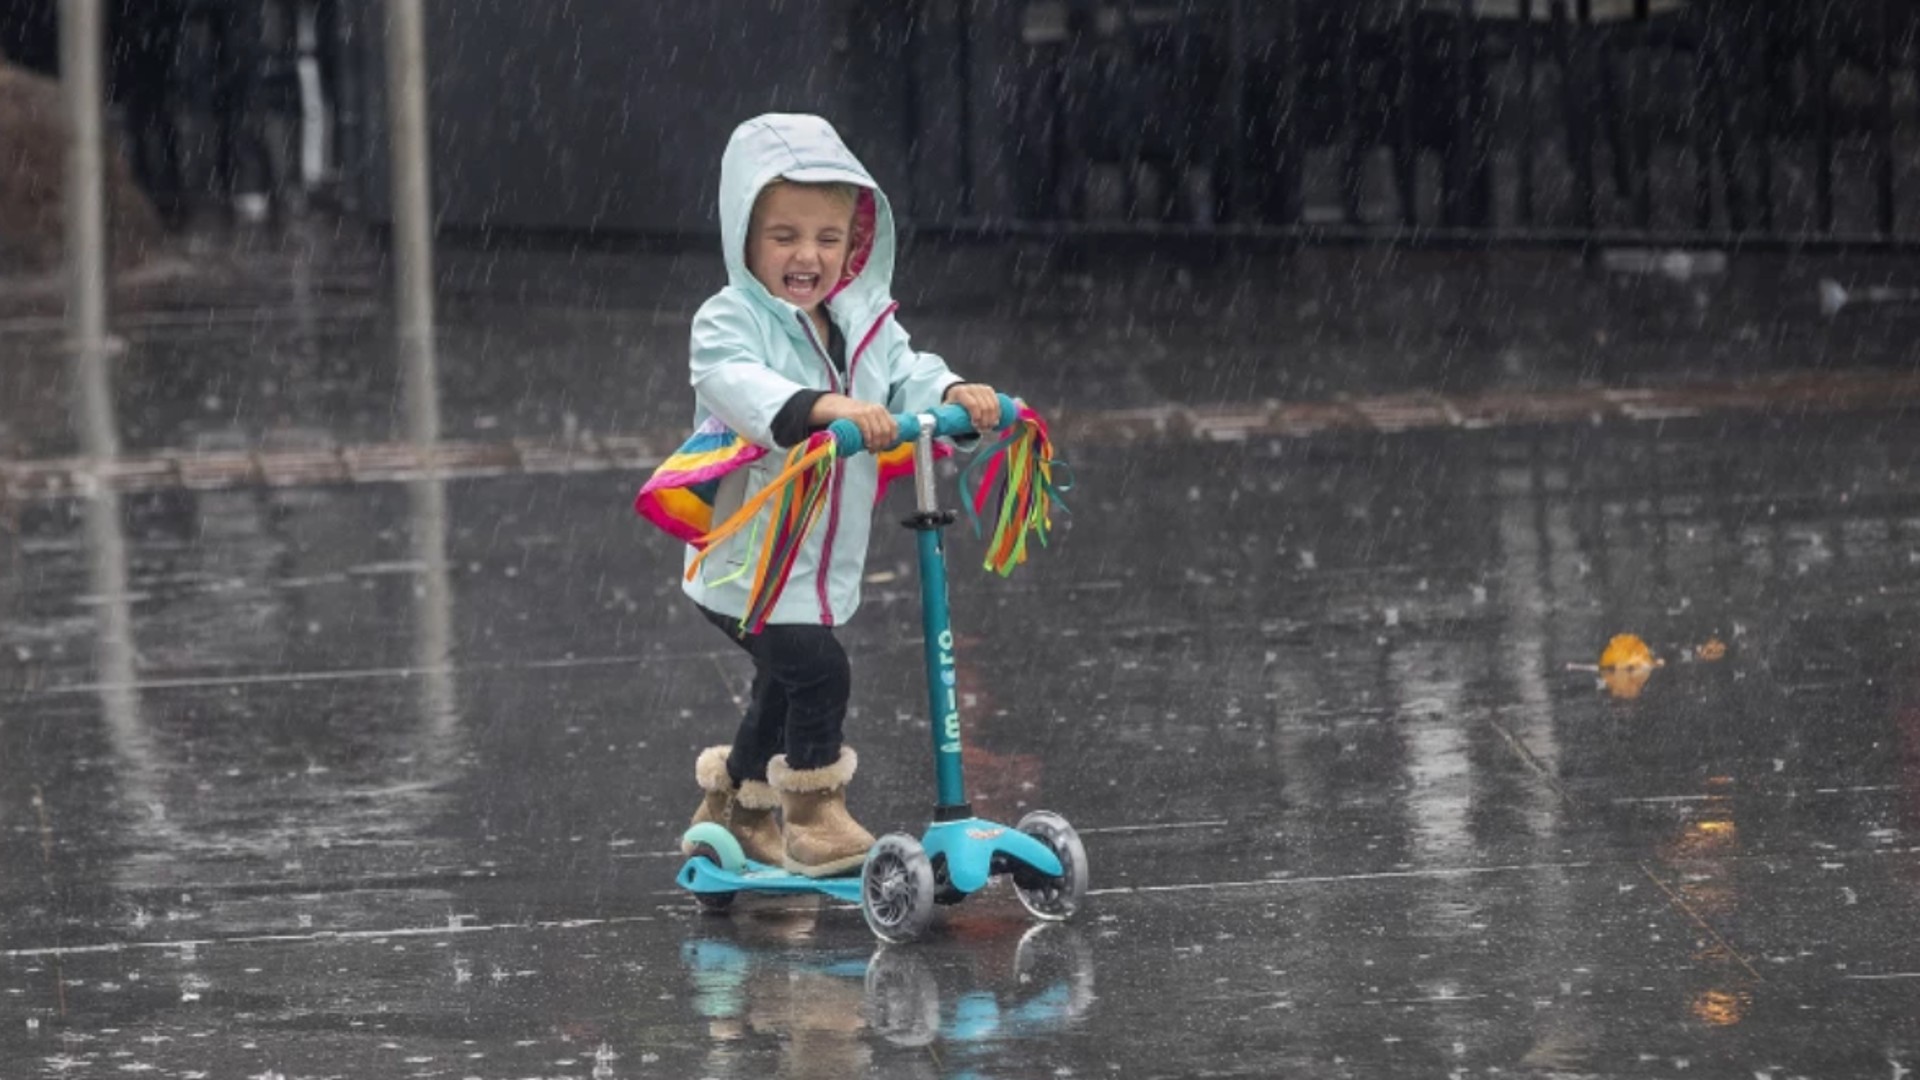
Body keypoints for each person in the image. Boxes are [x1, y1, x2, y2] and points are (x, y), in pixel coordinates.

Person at [646, 114, 1001, 879]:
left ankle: (737, 811)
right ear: (745, 235)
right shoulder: (729, 320)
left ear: (856, 242)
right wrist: (823, 406)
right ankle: (812, 813)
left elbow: (910, 372)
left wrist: (954, 393)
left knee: (785, 678)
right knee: (816, 670)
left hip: (815, 562)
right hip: (747, 560)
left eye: (828, 239)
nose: (807, 255)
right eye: (784, 236)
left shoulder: (864, 320)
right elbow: (739, 386)